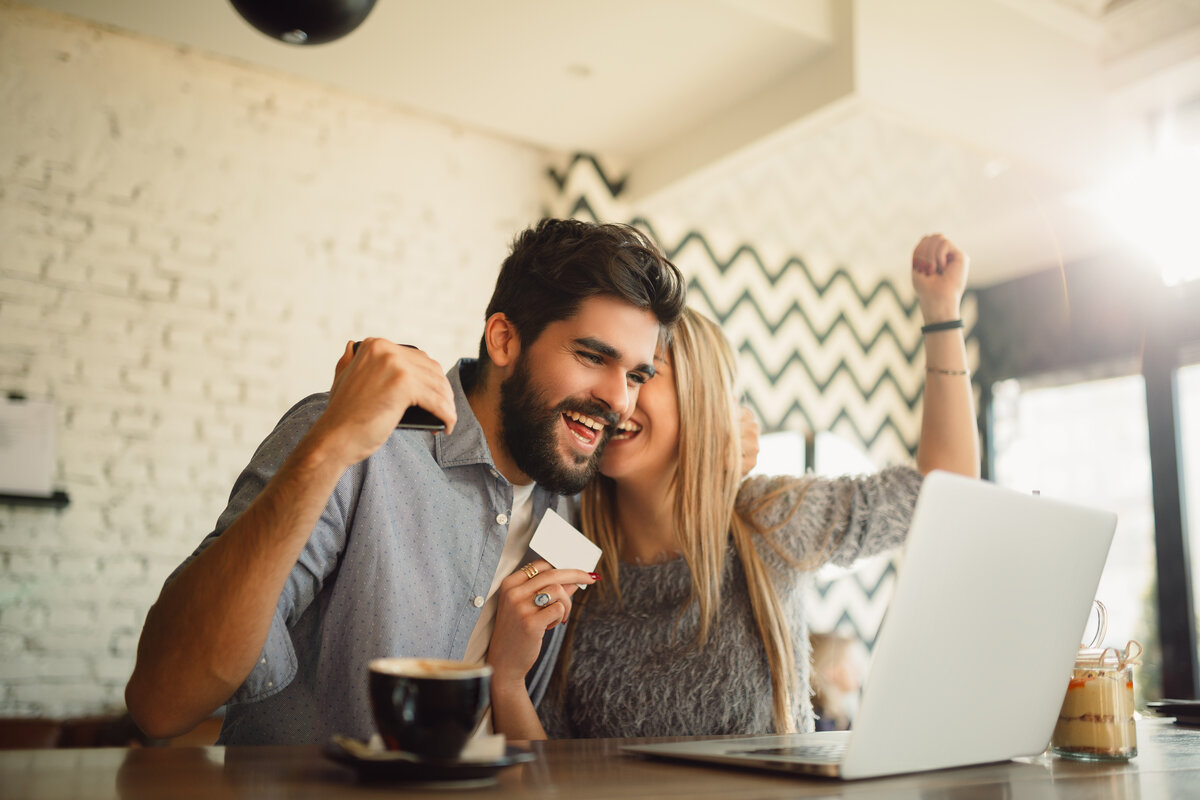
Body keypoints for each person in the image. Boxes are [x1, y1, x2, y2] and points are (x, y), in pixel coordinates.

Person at [123, 218, 687, 745]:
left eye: (637, 375)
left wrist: (720, 443)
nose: (619, 399)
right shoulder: (357, 444)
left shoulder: (571, 502)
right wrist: (330, 444)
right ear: (504, 340)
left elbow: (682, 480)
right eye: (592, 355)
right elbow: (161, 700)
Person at [486, 234, 980, 739]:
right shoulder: (565, 544)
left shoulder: (767, 519)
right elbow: (546, 771)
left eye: (643, 373)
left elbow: (943, 495)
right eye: (601, 363)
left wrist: (942, 313)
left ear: (700, 395)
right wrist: (505, 682)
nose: (618, 399)